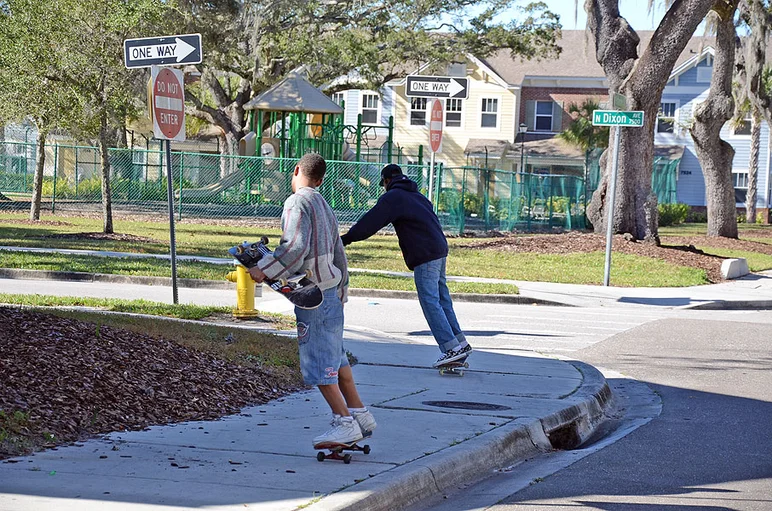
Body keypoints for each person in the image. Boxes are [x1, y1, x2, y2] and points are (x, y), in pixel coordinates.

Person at [247, 153, 376, 447]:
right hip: (331, 291)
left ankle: (344, 423)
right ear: (320, 180)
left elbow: (294, 248)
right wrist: (342, 288)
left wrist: (263, 269)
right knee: (336, 358)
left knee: (318, 362)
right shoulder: (323, 204)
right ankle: (360, 414)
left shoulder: (297, 202)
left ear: (296, 171)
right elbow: (338, 251)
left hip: (313, 296)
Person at [341, 164, 472, 367]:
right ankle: (460, 343)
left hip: (425, 254)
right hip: (439, 250)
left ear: (386, 181)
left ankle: (451, 348)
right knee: (442, 300)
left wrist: (347, 238)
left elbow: (370, 222)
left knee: (430, 301)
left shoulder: (393, 197)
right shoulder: (418, 196)